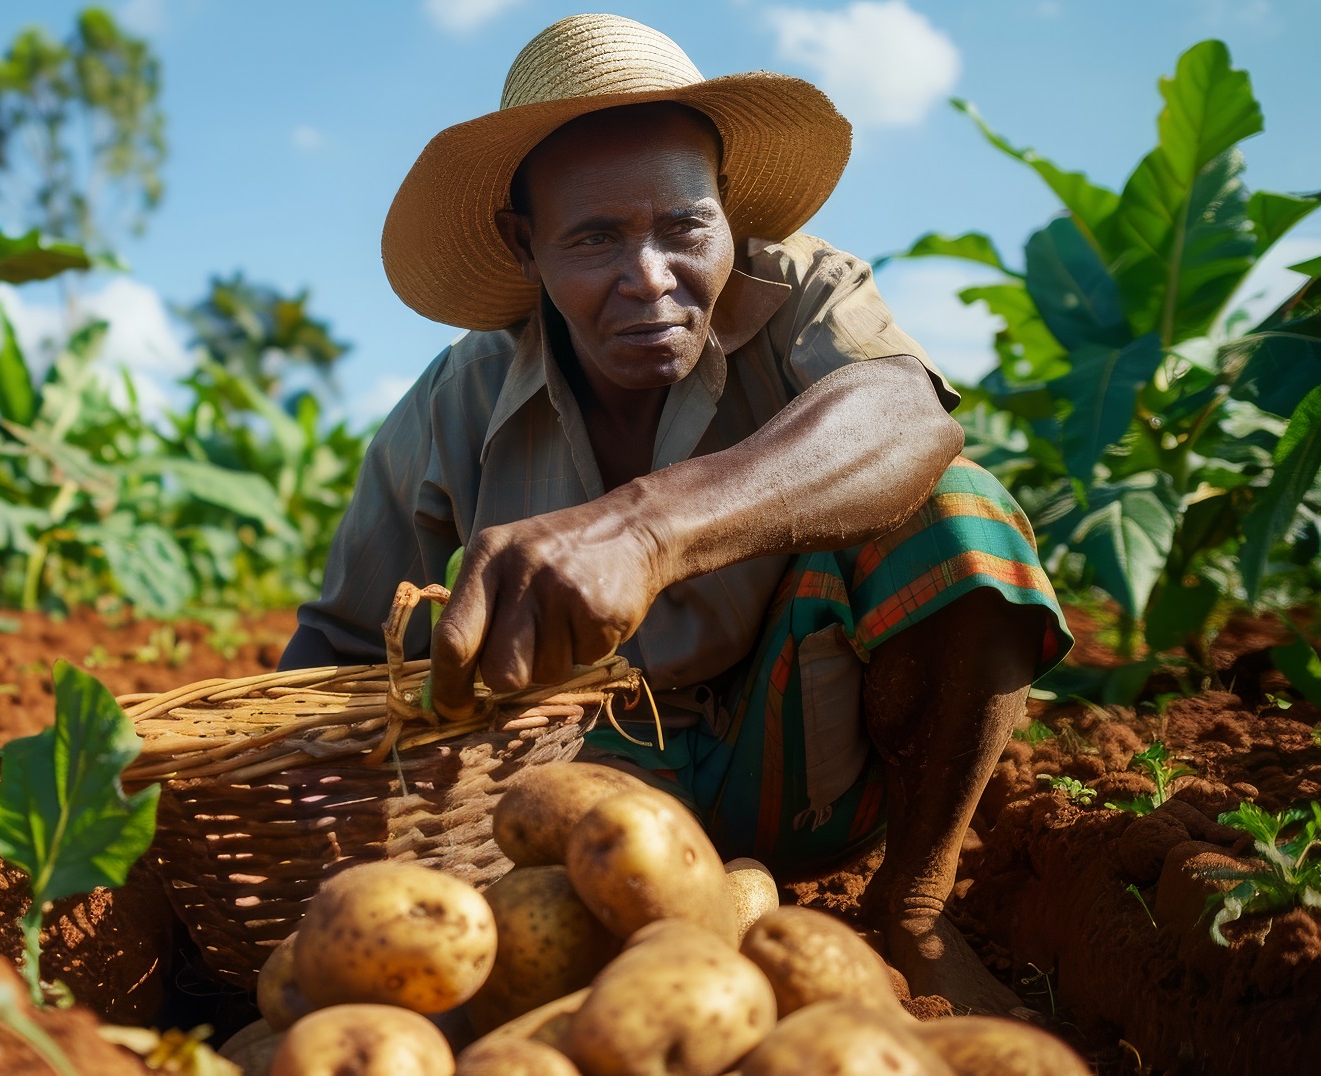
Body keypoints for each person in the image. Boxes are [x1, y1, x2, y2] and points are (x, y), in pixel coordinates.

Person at [278, 13, 1071, 1013]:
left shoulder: (799, 295)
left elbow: (907, 417)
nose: (648, 278)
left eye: (683, 228)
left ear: (728, 212)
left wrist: (647, 527)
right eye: (596, 237)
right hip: (559, 813)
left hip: (793, 754)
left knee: (957, 508)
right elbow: (339, 641)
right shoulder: (456, 402)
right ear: (525, 246)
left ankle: (912, 908)